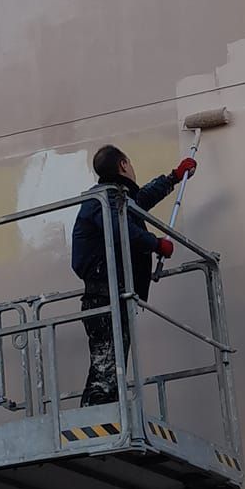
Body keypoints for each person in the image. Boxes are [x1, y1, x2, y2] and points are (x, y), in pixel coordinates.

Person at [70, 144, 196, 407]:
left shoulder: (116, 198)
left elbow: (140, 201)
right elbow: (120, 228)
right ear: (124, 165)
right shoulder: (102, 200)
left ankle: (105, 420)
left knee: (111, 370)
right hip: (103, 298)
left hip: (115, 295)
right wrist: (154, 243)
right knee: (105, 372)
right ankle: (99, 422)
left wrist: (173, 177)